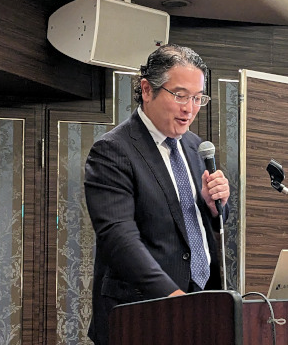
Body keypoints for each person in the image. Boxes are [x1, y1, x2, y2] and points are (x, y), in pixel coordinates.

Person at [84, 44, 230, 345]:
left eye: (197, 98)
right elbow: (118, 238)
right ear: (147, 90)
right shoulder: (113, 151)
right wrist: (172, 297)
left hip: (202, 305)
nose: (189, 108)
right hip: (141, 313)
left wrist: (215, 206)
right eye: (180, 95)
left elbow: (202, 225)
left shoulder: (195, 146)